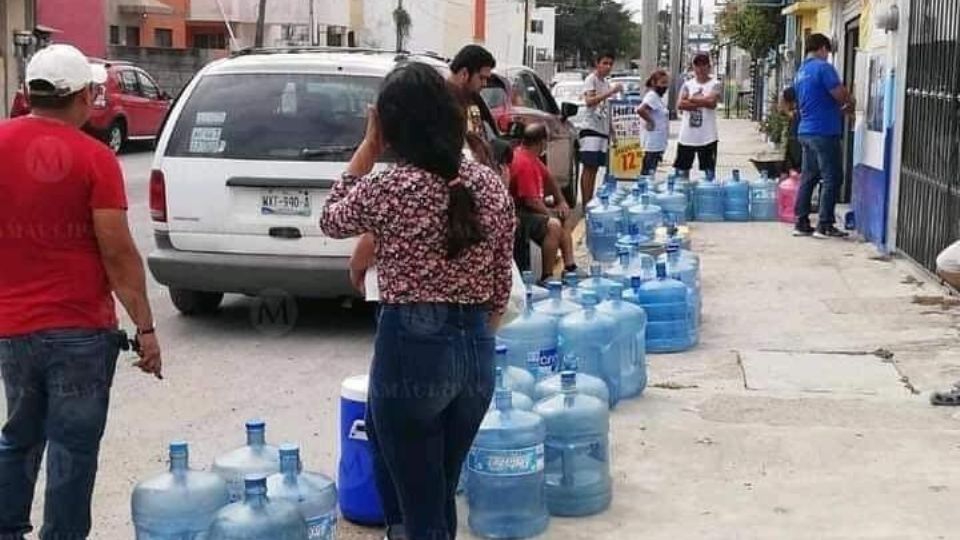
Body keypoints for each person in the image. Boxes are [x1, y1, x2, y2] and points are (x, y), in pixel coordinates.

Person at [320, 62, 514, 540]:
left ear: (391, 125)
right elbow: (501, 284)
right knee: (433, 488)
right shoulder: (488, 183)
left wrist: (367, 146)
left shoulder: (390, 185)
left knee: (424, 503)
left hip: (414, 349)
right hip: (476, 354)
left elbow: (331, 219)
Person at [0, 44, 163, 539]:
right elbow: (117, 252)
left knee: (18, 439)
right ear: (86, 96)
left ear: (28, 93)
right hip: (79, 334)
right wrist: (146, 328)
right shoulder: (95, 158)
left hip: (13, 329)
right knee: (73, 450)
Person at [793, 33, 855, 239]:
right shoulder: (823, 68)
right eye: (828, 51)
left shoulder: (801, 72)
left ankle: (801, 221)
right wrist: (850, 101)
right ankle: (825, 224)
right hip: (824, 131)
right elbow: (839, 94)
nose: (828, 55)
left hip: (805, 130)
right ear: (822, 48)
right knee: (833, 177)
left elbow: (812, 100)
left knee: (809, 176)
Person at [510, 123, 577, 279]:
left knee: (564, 216)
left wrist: (561, 202)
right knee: (553, 226)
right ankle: (547, 276)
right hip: (518, 212)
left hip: (528, 209)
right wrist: (550, 215)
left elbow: (550, 178)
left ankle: (570, 266)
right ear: (541, 142)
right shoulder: (523, 162)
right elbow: (531, 201)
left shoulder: (531, 157)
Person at [580, 51, 623, 207]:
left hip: (602, 130)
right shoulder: (591, 80)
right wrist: (610, 92)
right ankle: (586, 203)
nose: (608, 67)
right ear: (597, 63)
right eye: (604, 63)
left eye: (610, 64)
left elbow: (607, 110)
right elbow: (589, 101)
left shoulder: (605, 83)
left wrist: (613, 132)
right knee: (589, 167)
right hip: (591, 127)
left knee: (595, 168)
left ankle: (590, 202)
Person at [675, 52, 722, 177]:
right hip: (687, 136)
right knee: (682, 170)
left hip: (707, 136)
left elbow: (712, 102)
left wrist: (691, 99)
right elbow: (680, 104)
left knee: (709, 172)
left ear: (708, 66)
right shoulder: (688, 84)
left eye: (703, 65)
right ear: (693, 67)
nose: (700, 68)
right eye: (697, 65)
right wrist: (702, 101)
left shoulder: (715, 84)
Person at [448, 44, 497, 140]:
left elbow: (480, 137)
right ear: (464, 73)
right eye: (481, 78)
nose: (485, 84)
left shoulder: (473, 100)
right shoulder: (440, 102)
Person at [636, 69, 671, 175]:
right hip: (651, 144)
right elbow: (641, 110)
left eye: (666, 83)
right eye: (662, 83)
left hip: (657, 144)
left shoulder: (658, 98)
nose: (665, 86)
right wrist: (650, 121)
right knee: (647, 174)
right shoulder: (652, 96)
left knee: (651, 172)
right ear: (654, 83)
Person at [781, 86, 803, 173]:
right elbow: (782, 98)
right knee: (795, 161)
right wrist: (789, 113)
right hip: (796, 130)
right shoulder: (799, 87)